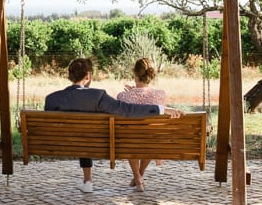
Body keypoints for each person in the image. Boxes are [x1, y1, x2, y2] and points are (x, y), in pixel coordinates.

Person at [44, 57, 182, 194]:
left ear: (70, 75)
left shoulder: (52, 99)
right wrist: (161, 109)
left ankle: (87, 180)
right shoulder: (98, 96)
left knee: (81, 134)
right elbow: (127, 110)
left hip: (62, 144)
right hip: (94, 144)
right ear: (88, 76)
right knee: (86, 135)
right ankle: (89, 181)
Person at [117, 57, 168, 191]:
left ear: (135, 74)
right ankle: (139, 176)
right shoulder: (160, 95)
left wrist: (133, 92)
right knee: (149, 136)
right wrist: (135, 91)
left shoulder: (123, 96)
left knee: (131, 138)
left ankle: (137, 178)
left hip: (130, 140)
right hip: (152, 140)